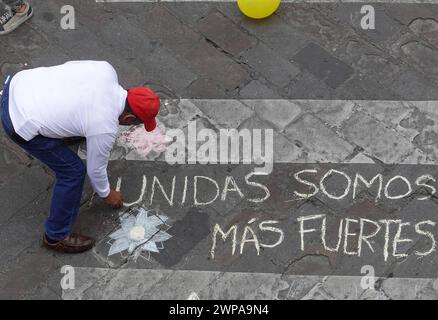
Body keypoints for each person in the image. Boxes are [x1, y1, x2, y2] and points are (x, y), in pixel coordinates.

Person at [0, 61, 161, 253]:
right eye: (136, 123)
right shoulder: (105, 126)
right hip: (18, 121)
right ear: (128, 119)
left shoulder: (106, 69)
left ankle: (66, 132)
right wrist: (107, 194)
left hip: (19, 84)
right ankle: (55, 236)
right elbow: (95, 170)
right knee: (73, 171)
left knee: (83, 116)